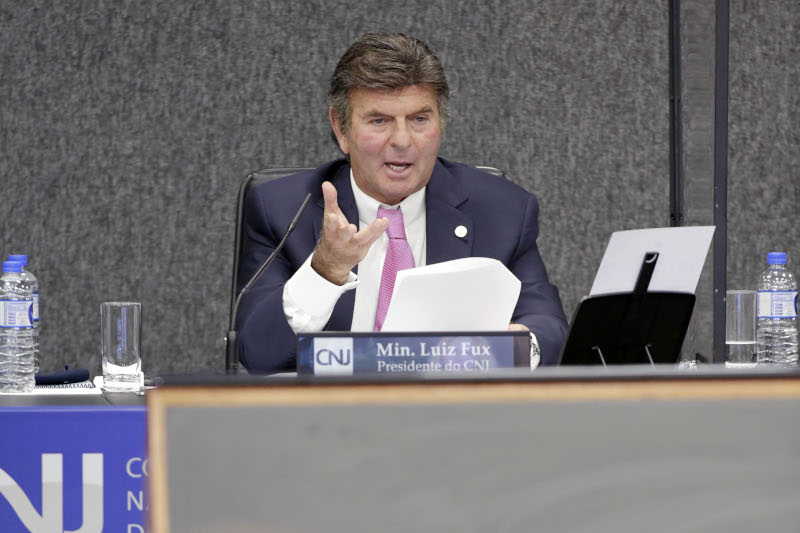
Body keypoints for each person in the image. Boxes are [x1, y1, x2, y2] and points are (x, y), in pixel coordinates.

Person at [237, 32, 567, 373]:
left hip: (456, 416)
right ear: (341, 128)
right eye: (379, 121)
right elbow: (257, 353)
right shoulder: (283, 209)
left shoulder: (502, 210)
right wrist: (325, 271)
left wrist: (514, 346)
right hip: (328, 419)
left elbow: (548, 324)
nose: (402, 141)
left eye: (419, 119)